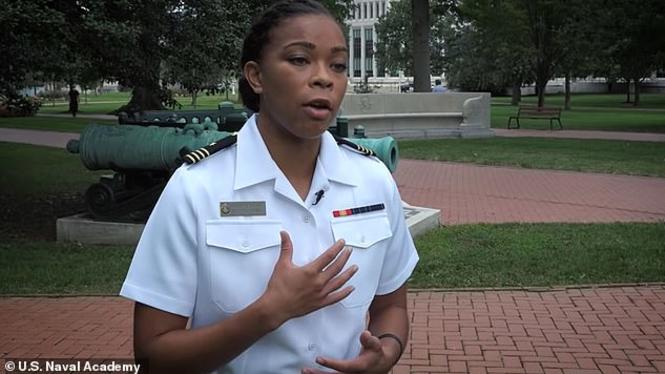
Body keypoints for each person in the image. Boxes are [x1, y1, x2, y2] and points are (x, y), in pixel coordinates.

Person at [119, 1, 419, 373]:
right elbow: (152, 355)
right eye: (299, 60)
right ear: (256, 77)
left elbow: (391, 306)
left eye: (338, 65)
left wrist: (386, 352)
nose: (324, 77)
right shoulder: (197, 188)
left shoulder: (373, 181)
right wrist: (269, 312)